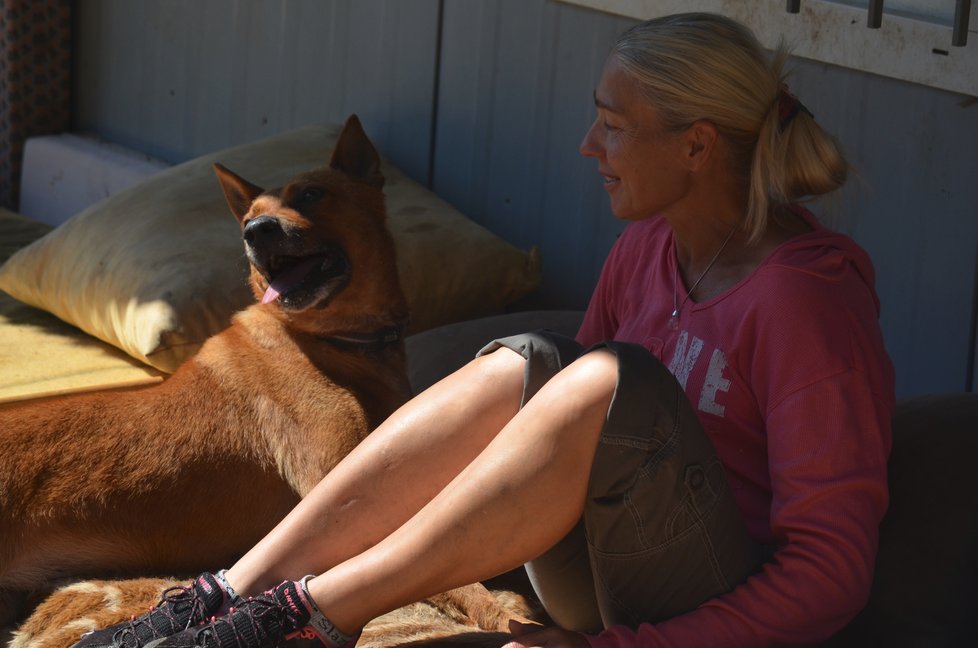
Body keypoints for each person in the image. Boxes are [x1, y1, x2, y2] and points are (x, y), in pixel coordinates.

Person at [71, 12, 894, 648]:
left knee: (608, 380)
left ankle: (311, 615)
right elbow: (551, 415)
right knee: (538, 360)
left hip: (699, 605)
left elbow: (832, 573)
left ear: (697, 146)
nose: (587, 146)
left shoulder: (805, 299)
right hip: (595, 569)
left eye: (613, 124)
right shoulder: (649, 246)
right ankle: (228, 595)